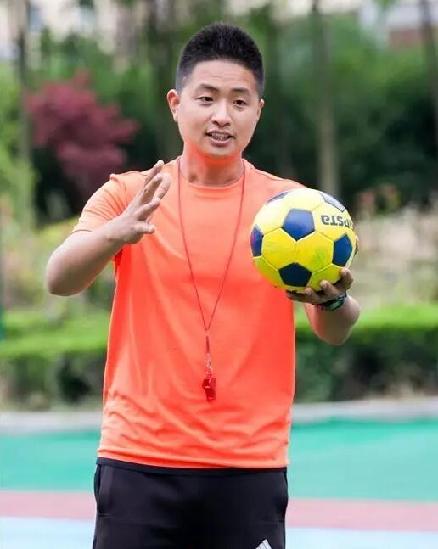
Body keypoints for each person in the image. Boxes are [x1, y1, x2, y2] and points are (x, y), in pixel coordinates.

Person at [46, 22, 360, 549]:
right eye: (206, 98)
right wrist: (116, 233)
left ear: (258, 111)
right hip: (139, 458)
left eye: (239, 101)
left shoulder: (294, 210)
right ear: (176, 104)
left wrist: (335, 301)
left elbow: (336, 329)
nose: (222, 116)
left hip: (248, 464)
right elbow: (59, 278)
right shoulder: (129, 195)